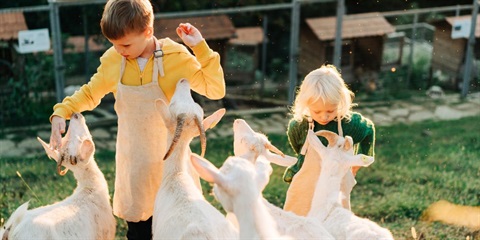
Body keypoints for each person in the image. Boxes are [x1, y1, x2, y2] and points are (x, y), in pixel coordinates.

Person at [48, 0, 225, 239]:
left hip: (172, 166)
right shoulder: (113, 60)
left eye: (126, 44)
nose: (120, 50)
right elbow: (90, 92)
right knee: (139, 232)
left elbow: (215, 89)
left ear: (148, 32)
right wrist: (62, 111)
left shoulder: (175, 57)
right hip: (135, 167)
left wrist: (200, 48)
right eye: (114, 44)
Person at [283, 64, 375, 210]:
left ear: (340, 102)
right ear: (306, 104)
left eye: (330, 110)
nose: (324, 116)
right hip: (308, 183)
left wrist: (362, 156)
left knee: (333, 219)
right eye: (317, 111)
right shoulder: (298, 127)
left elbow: (369, 130)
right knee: (300, 215)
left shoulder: (351, 125)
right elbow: (299, 149)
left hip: (336, 184)